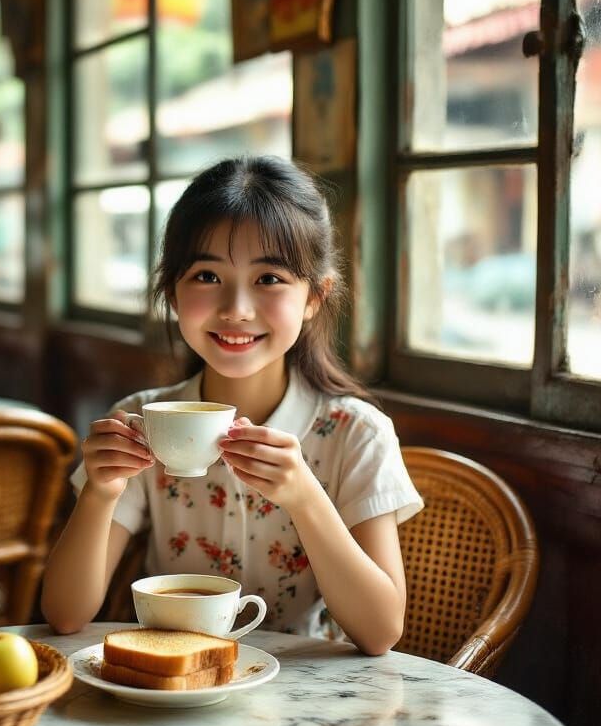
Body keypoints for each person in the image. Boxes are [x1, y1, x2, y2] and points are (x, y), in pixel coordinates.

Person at [41, 156, 423, 654]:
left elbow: (381, 631)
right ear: (172, 293)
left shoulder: (356, 433)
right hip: (174, 679)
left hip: (307, 688)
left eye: (269, 279)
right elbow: (65, 615)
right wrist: (100, 493)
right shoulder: (138, 422)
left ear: (315, 296)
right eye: (206, 276)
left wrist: (305, 498)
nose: (237, 310)